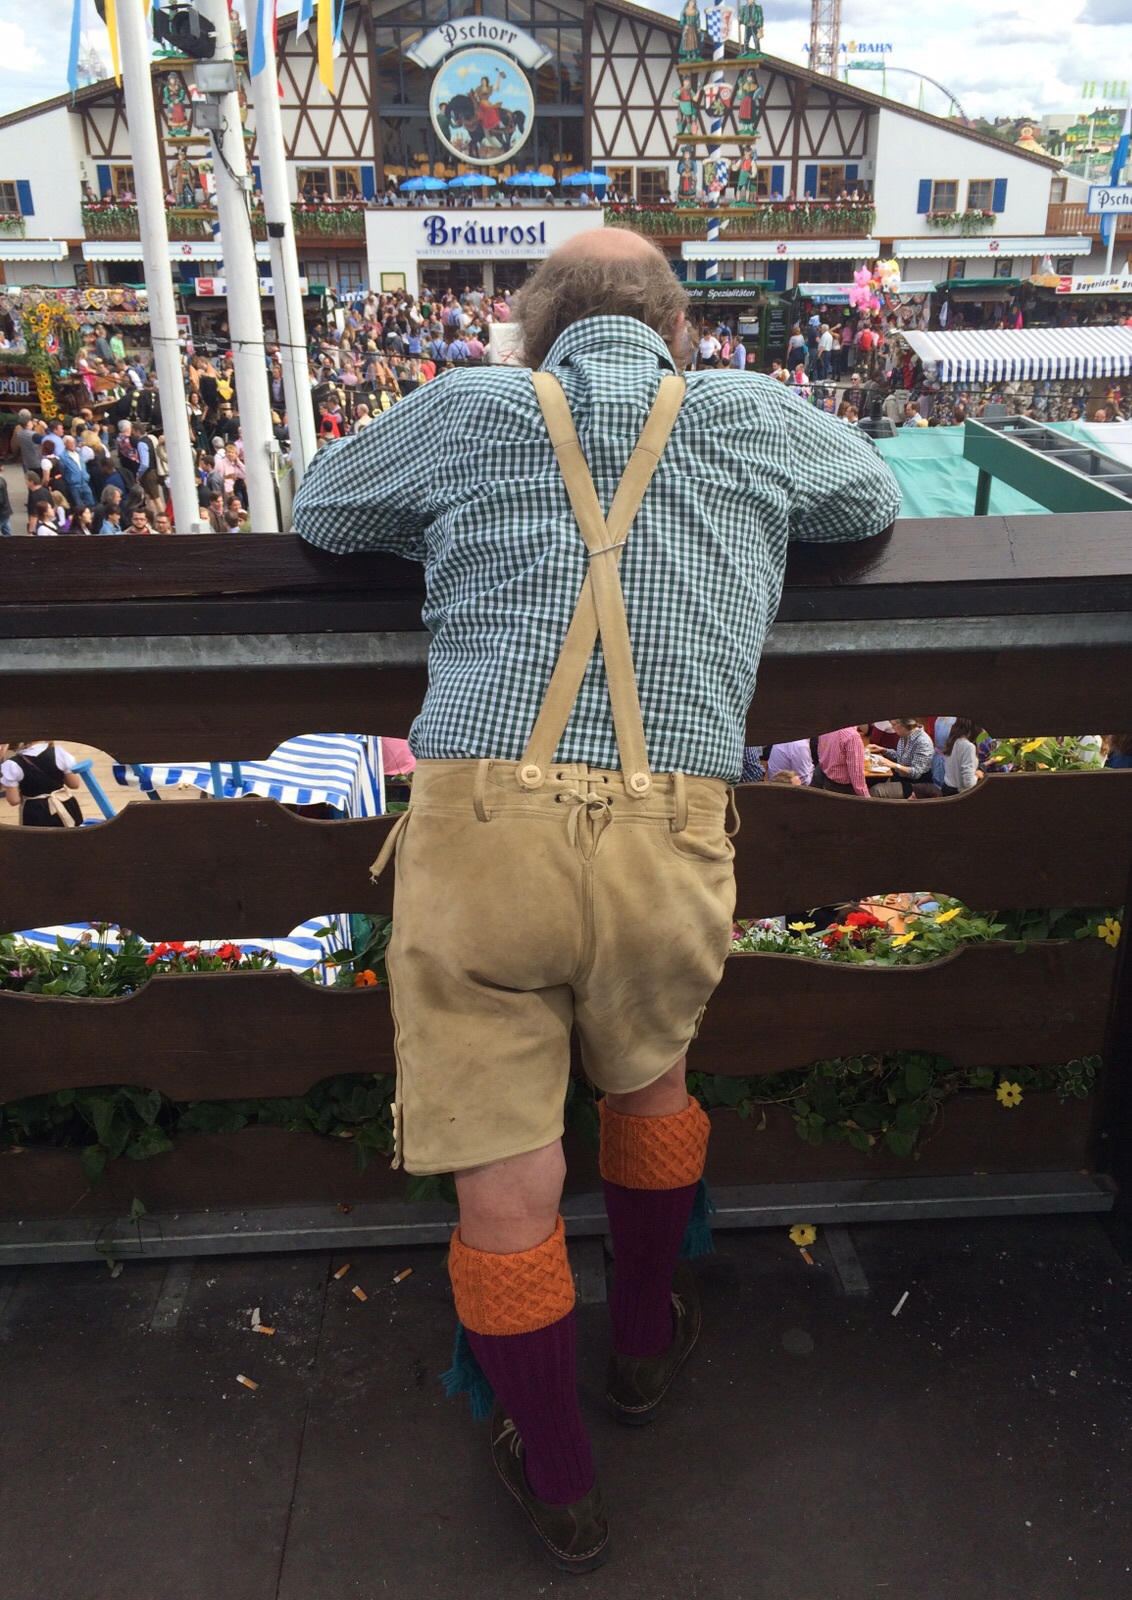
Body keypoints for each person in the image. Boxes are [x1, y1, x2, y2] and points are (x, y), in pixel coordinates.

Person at [293, 225, 900, 1573]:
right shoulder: (745, 409)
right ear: (678, 332)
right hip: (665, 828)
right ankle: (640, 1347)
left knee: (503, 1173)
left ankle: (561, 1479)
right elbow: (866, 502)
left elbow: (323, 508)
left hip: (481, 830)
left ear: (531, 334)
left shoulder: (471, 405)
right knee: (651, 1080)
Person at [2, 739, 84, 827]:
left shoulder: (12, 764)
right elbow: (74, 784)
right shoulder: (59, 753)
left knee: (39, 836)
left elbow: (14, 800)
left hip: (35, 811)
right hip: (65, 804)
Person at [868, 718, 934, 798]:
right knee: (871, 782)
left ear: (905, 724)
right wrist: (884, 750)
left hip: (915, 784)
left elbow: (916, 773)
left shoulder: (923, 742)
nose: (892, 727)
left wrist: (894, 765)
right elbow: (900, 756)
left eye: (894, 725)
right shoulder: (905, 735)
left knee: (876, 791)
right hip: (900, 778)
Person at [815, 726, 869, 795]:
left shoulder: (826, 727)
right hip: (845, 789)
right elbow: (857, 779)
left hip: (827, 781)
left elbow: (820, 754)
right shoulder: (852, 736)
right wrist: (867, 798)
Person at [941, 719, 983, 796]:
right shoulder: (968, 746)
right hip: (959, 793)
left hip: (947, 787)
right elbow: (969, 783)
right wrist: (977, 775)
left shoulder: (952, 740)